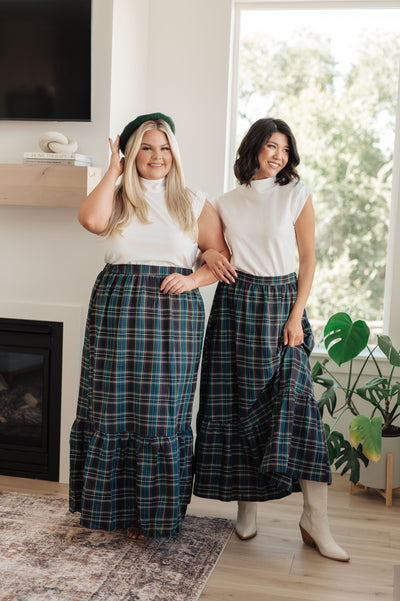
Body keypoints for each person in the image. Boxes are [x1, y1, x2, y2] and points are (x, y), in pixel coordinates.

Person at [69, 112, 232, 541]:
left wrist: (193, 279)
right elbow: (91, 221)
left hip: (173, 312)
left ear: (174, 153)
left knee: (161, 413)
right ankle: (112, 511)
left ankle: (154, 515)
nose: (157, 156)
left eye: (164, 148)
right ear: (130, 152)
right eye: (146, 147)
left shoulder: (194, 201)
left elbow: (219, 257)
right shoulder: (117, 195)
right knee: (111, 406)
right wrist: (114, 169)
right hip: (116, 308)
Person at [194, 117, 349, 562]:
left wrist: (296, 316)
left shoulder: (297, 194)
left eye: (284, 148)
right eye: (270, 146)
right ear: (254, 149)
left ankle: (315, 519)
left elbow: (308, 260)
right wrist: (207, 251)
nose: (278, 155)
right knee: (240, 408)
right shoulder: (224, 202)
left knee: (301, 412)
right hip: (236, 306)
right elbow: (209, 249)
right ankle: (247, 509)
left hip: (282, 307)